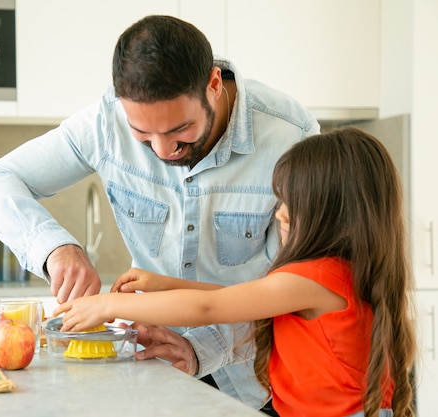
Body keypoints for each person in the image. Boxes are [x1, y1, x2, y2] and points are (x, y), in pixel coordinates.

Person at [0, 15, 319, 410]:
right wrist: (56, 248)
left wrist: (200, 347)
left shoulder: (292, 136)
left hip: (260, 385)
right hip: (150, 372)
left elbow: (296, 296)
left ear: (214, 84)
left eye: (180, 130)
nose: (164, 150)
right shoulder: (105, 123)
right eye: (143, 136)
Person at [54, 127, 417, 417]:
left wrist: (105, 306)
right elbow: (245, 299)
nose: (281, 214)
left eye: (293, 204)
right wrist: (164, 284)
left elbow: (211, 309)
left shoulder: (319, 278)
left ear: (337, 215)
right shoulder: (330, 275)